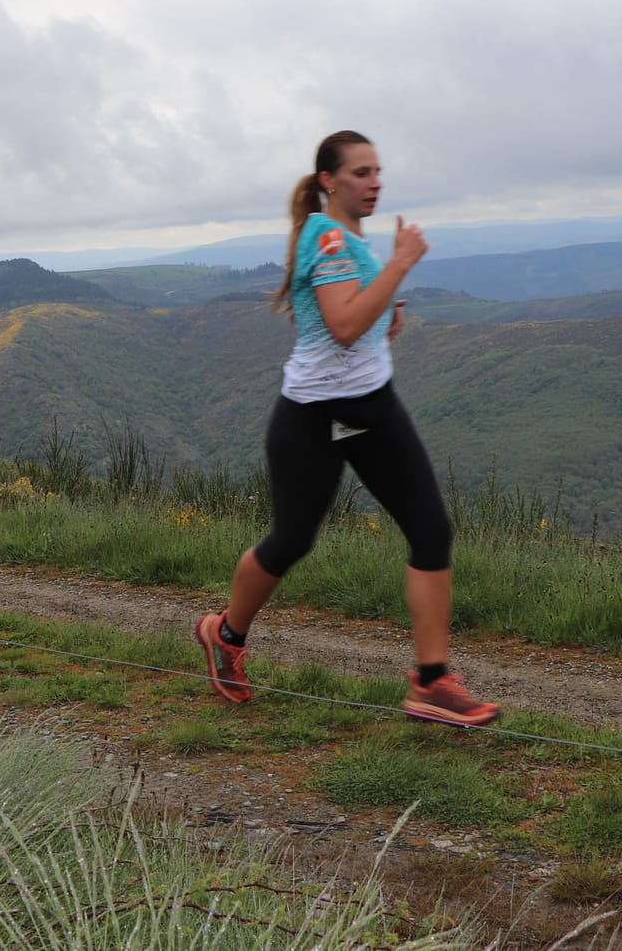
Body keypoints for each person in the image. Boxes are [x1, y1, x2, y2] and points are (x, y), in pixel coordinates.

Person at [194, 131, 501, 726]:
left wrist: (387, 312)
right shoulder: (329, 237)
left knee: (431, 531)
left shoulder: (351, 242)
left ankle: (431, 682)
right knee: (292, 541)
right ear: (329, 181)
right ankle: (224, 634)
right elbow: (341, 325)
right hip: (313, 415)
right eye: (361, 172)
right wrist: (401, 266)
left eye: (378, 171)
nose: (375, 181)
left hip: (373, 408)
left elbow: (359, 321)